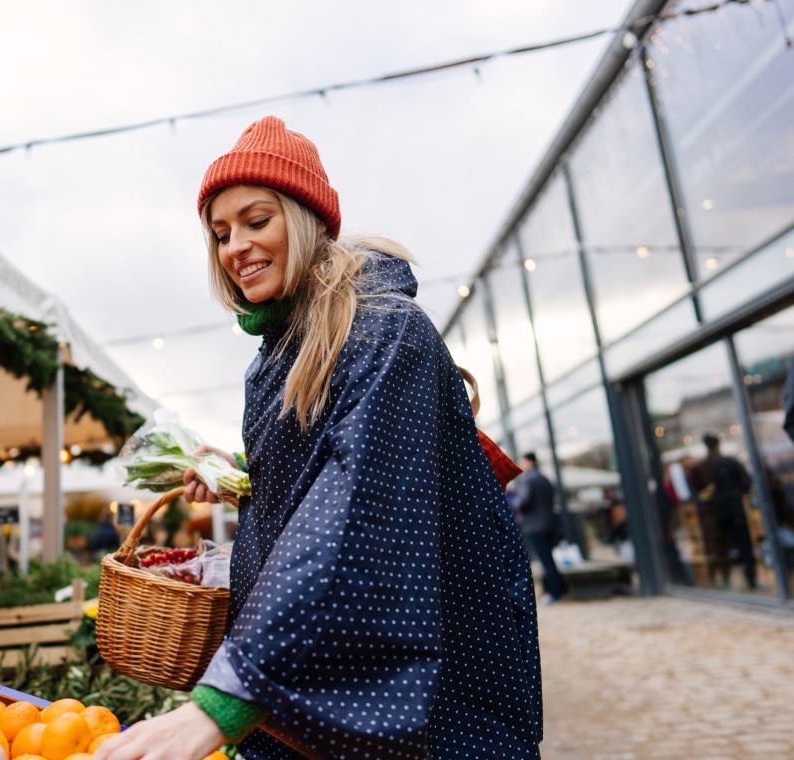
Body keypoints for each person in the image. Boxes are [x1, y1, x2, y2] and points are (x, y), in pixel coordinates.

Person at [93, 116, 541, 759]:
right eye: (220, 233)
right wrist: (243, 476)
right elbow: (317, 481)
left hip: (433, 693)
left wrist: (227, 700)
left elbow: (354, 514)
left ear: (304, 219)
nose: (235, 246)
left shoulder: (388, 331)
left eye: (256, 220)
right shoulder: (275, 354)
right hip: (300, 688)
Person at [692, 433, 756, 590]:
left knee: (721, 547)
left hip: (715, 512)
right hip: (734, 508)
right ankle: (751, 580)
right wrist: (739, 493)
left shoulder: (702, 466)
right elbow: (746, 480)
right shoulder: (728, 461)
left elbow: (698, 491)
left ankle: (724, 578)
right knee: (743, 543)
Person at [514, 452, 563, 605]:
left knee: (545, 561)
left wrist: (516, 503)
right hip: (549, 523)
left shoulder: (528, 479)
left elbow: (523, 501)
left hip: (535, 525)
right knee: (549, 559)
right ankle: (556, 591)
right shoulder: (544, 478)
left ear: (529, 462)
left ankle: (554, 594)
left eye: (522, 461)